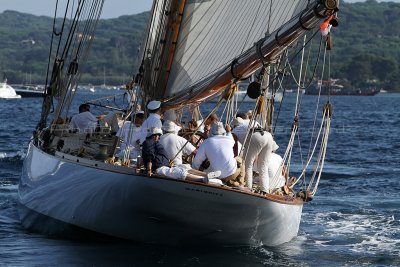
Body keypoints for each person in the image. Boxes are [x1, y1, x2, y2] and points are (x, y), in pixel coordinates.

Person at [142, 127, 219, 182]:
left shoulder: (154, 142)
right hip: (159, 168)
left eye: (159, 135)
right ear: (154, 136)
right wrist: (149, 170)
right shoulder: (149, 142)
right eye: (157, 135)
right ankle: (202, 179)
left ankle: (207, 174)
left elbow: (146, 156)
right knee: (178, 172)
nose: (158, 137)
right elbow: (149, 156)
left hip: (166, 166)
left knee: (185, 167)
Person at [244, 127, 274, 194]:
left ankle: (248, 189)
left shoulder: (235, 130)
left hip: (257, 136)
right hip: (269, 136)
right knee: (263, 166)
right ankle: (264, 190)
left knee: (248, 164)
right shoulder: (247, 124)